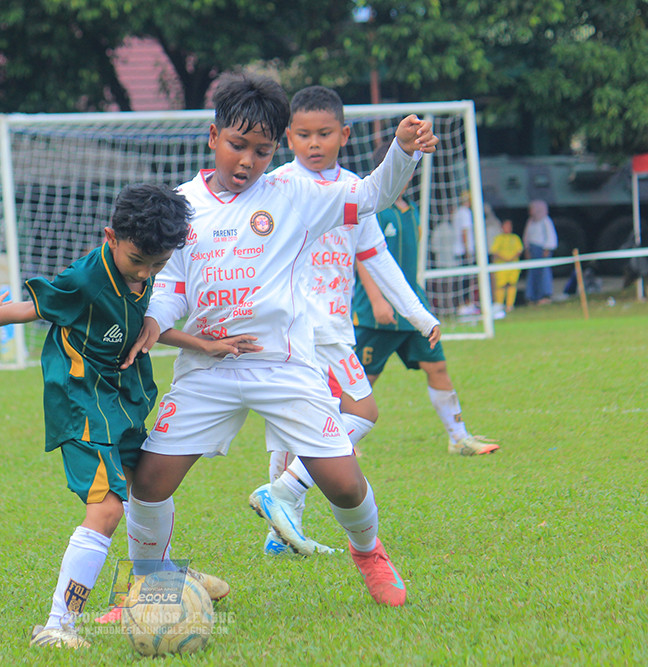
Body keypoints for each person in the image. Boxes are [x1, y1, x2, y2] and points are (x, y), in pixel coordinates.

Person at [120, 71, 437, 608]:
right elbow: (172, 285)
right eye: (238, 146)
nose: (247, 162)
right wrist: (156, 320)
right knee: (149, 483)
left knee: (342, 483)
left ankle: (370, 554)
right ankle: (149, 583)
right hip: (206, 371)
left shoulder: (296, 192)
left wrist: (402, 153)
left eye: (262, 151)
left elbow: (370, 195)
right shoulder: (181, 204)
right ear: (214, 135)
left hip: (283, 367)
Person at [0, 184, 237, 649]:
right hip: (82, 403)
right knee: (105, 509)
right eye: (138, 260)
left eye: (157, 265)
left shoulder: (143, 274)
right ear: (111, 237)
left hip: (121, 400)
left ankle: (160, 579)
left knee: (147, 485)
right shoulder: (85, 279)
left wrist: (202, 344)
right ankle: (58, 625)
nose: (145, 273)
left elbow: (143, 329)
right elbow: (37, 308)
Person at [262, 86, 440, 556]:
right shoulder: (277, 186)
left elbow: (377, 259)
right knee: (361, 411)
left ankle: (280, 532)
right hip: (302, 328)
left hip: (333, 327)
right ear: (288, 138)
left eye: (324, 134)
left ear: (344, 134)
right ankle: (283, 495)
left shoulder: (355, 193)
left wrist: (419, 314)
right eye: (303, 135)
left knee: (295, 423)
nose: (314, 143)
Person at [353, 144, 499, 457]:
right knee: (362, 380)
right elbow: (362, 257)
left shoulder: (410, 210)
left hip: (412, 310)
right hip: (375, 312)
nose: (406, 177)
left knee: (438, 367)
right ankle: (338, 443)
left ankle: (458, 437)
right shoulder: (372, 209)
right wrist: (378, 301)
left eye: (409, 171)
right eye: (400, 170)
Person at [523, 199, 557, 304]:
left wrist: (547, 248)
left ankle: (545, 295)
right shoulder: (531, 221)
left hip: (542, 250)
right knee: (533, 274)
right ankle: (533, 296)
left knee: (544, 272)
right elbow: (527, 236)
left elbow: (550, 235)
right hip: (533, 250)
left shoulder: (545, 220)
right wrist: (527, 249)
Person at [452, 190, 480, 315]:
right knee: (467, 279)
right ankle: (466, 304)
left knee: (462, 278)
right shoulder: (465, 212)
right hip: (464, 250)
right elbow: (465, 232)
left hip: (457, 250)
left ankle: (463, 304)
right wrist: (467, 249)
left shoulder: (457, 212)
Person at [489, 218, 523, 312]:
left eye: (509, 226)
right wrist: (504, 258)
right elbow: (494, 251)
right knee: (500, 286)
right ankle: (499, 305)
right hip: (501, 266)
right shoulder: (498, 238)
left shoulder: (515, 238)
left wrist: (511, 258)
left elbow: (519, 250)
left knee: (512, 285)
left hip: (513, 266)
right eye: (506, 226)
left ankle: (509, 306)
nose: (508, 228)